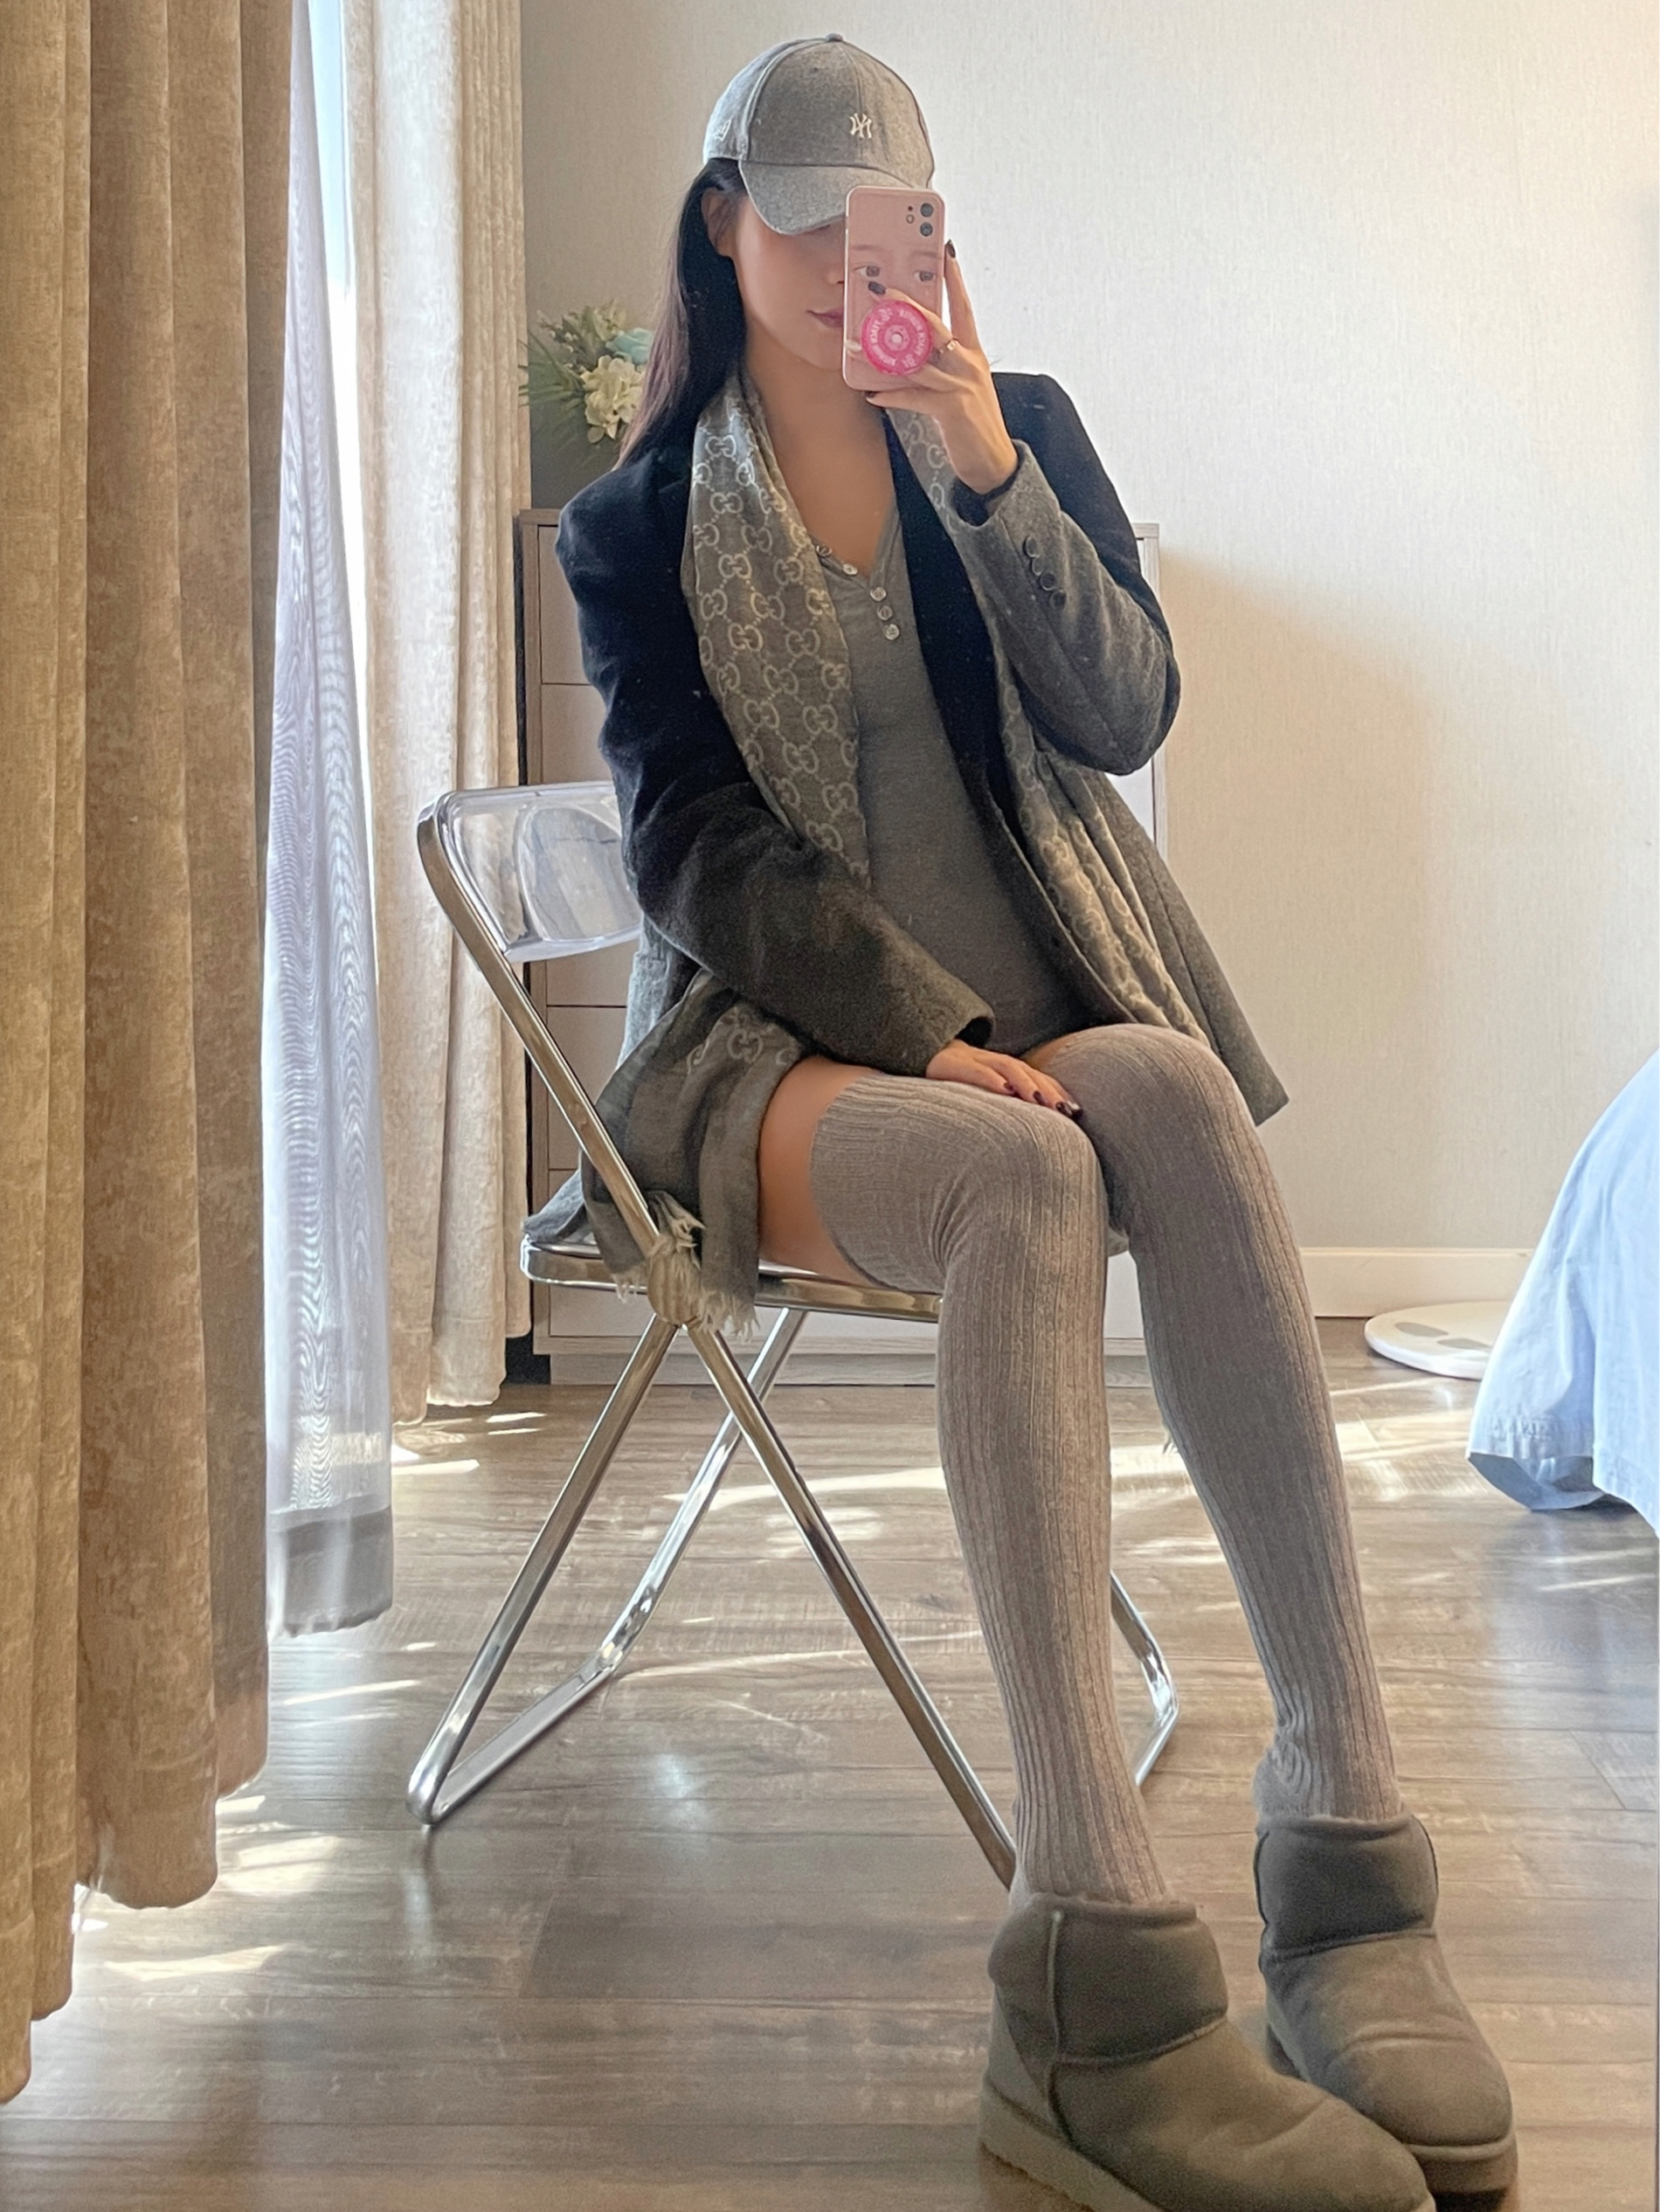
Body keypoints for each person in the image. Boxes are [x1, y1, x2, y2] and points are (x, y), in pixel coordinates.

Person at [548, 35, 1515, 2212]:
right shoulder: (636, 524)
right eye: (801, 221)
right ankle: (1085, 1959)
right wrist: (918, 1023)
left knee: (1161, 1089)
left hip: (1047, 1027)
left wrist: (980, 467)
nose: (843, 263)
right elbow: (690, 850)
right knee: (1018, 1164)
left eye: (885, 224)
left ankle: (1344, 1861)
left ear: (932, 234)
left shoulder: (1017, 429)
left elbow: (1122, 712)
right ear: (721, 220)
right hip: (780, 1057)